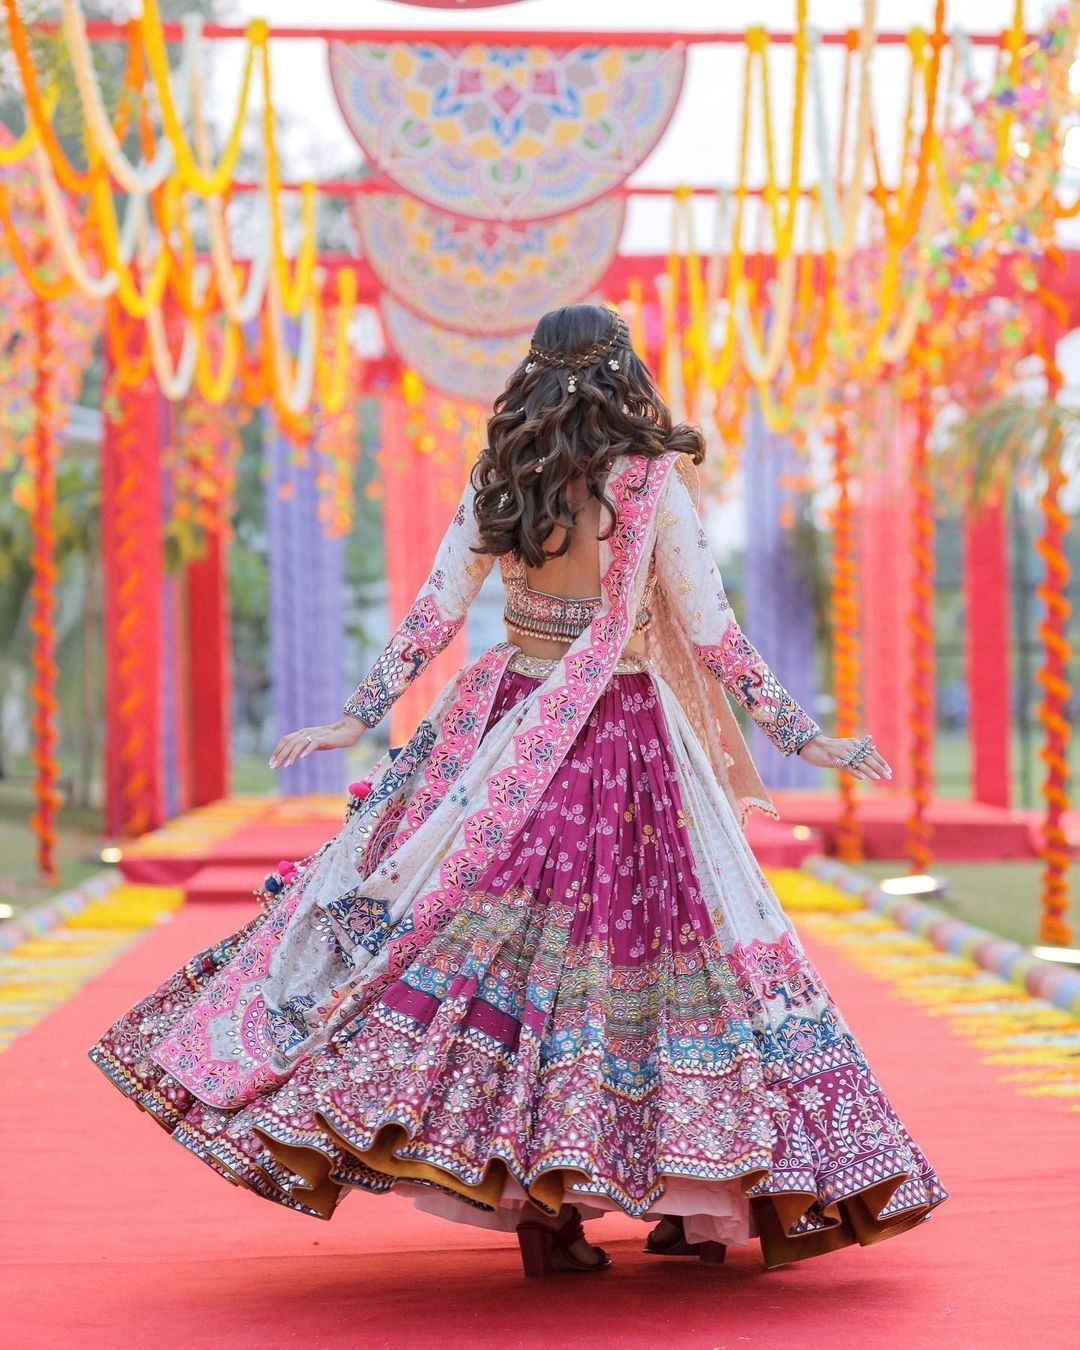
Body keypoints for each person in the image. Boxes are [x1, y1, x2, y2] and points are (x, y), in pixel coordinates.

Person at [90, 304, 945, 1276]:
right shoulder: (650, 482)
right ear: (626, 373)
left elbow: (432, 617)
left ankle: (548, 1214)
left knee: (518, 971)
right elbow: (715, 636)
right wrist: (806, 736)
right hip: (625, 745)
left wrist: (354, 716)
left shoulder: (501, 481)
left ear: (532, 378)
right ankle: (693, 1199)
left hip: (503, 733)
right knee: (668, 970)